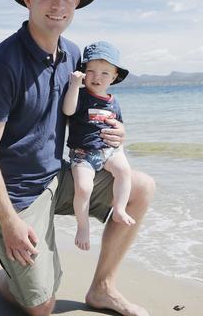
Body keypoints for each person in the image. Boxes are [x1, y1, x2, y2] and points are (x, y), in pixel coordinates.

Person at [0, 0, 154, 316]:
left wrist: (116, 130)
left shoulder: (72, 56)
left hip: (59, 176)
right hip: (18, 196)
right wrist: (10, 223)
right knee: (41, 307)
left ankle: (103, 289)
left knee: (141, 187)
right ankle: (3, 271)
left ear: (77, 2)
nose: (58, 4)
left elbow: (88, 109)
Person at [63, 41, 135, 251]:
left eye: (105, 73)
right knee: (84, 188)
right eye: (91, 71)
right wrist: (75, 85)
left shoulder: (113, 101)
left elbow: (119, 126)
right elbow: (68, 111)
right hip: (82, 154)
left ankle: (119, 209)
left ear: (114, 77)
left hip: (109, 151)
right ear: (84, 72)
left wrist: (121, 136)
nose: (97, 77)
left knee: (124, 172)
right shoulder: (82, 95)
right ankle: (83, 227)